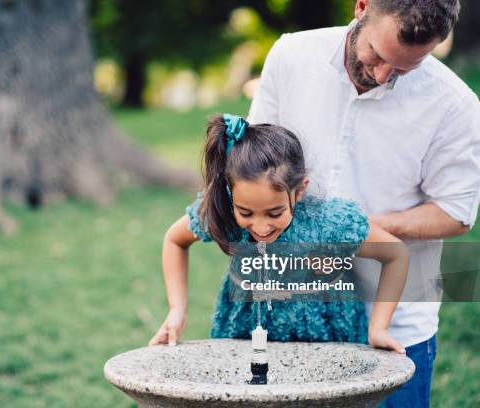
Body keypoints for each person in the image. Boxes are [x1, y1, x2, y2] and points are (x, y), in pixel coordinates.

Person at [247, 0, 480, 406]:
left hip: (396, 329)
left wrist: (353, 231)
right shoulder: (291, 55)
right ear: (361, 7)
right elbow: (255, 163)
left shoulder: (455, 105)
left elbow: (457, 214)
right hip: (296, 314)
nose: (383, 75)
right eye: (377, 55)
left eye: (406, 67)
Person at [149, 114, 409, 355]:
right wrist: (177, 310)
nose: (261, 228)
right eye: (246, 213)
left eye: (275, 213)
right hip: (245, 336)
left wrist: (379, 327)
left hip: (327, 341)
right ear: (231, 193)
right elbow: (175, 240)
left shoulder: (329, 223)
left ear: (300, 190)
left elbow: (395, 255)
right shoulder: (224, 212)